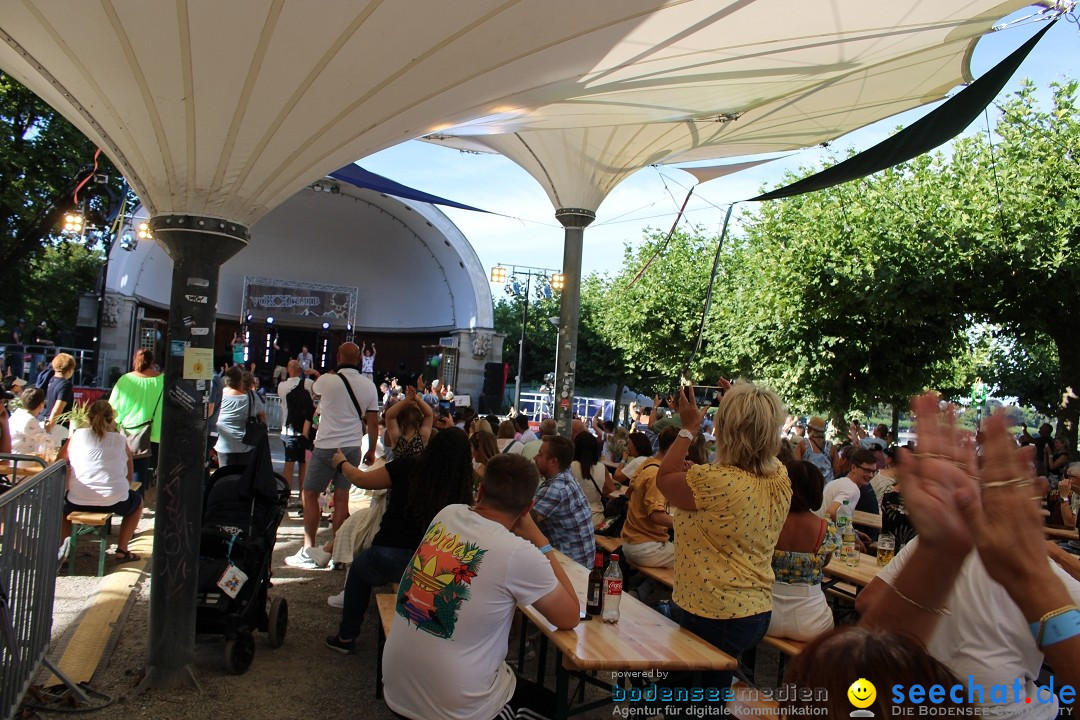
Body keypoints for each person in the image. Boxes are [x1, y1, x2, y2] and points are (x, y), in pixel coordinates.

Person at [857, 393, 1080, 718]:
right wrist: (1037, 582)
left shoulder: (929, 545)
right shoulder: (1038, 570)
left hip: (917, 699)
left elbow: (865, 610)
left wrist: (939, 552)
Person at [382, 453, 580, 720]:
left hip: (396, 690)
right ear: (527, 508)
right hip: (458, 710)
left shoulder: (447, 514)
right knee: (556, 707)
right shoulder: (518, 554)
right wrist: (539, 537)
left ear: (481, 491)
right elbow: (569, 616)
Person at [656, 380, 792, 691]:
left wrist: (688, 428)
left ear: (726, 428)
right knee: (708, 695)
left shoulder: (713, 481)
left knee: (692, 705)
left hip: (711, 612)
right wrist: (744, 405)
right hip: (754, 610)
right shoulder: (780, 476)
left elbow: (664, 479)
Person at [326, 427, 474, 654]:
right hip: (432, 562)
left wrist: (341, 462)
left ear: (432, 446)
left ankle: (347, 636)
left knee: (359, 570)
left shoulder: (408, 467)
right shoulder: (460, 486)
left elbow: (361, 479)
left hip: (391, 552)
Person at [288, 342, 378, 570]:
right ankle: (338, 554)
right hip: (352, 446)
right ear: (359, 360)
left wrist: (326, 373)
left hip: (327, 445)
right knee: (341, 498)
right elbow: (373, 423)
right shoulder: (369, 385)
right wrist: (371, 449)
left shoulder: (326, 380)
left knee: (310, 494)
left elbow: (314, 392)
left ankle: (309, 549)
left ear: (337, 356)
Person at [57, 400, 143, 562]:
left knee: (62, 508)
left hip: (77, 499)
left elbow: (58, 462)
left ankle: (65, 550)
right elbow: (130, 476)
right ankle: (122, 549)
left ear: (88, 418)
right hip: (114, 499)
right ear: (111, 419)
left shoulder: (76, 436)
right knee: (138, 504)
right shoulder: (120, 440)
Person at [767, 460, 839, 641]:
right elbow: (826, 562)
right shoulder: (825, 527)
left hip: (766, 612)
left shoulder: (768, 521)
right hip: (811, 618)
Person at [531, 434, 595, 567]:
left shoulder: (556, 488)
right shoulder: (565, 476)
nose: (535, 458)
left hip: (571, 566)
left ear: (554, 461)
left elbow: (523, 523)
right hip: (582, 562)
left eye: (540, 454)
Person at [619, 426, 676, 567]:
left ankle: (644, 589)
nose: (687, 453)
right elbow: (656, 516)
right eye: (685, 448)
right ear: (674, 448)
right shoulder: (657, 475)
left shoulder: (646, 464)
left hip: (631, 542)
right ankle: (651, 589)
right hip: (646, 547)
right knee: (696, 557)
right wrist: (685, 523)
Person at [108, 348, 164, 490]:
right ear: (152, 362)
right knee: (144, 475)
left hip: (128, 434)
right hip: (156, 434)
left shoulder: (125, 380)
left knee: (129, 473)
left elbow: (112, 409)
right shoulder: (163, 381)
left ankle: (131, 503)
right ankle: (139, 502)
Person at [277, 360, 316, 497]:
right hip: (305, 430)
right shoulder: (308, 384)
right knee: (303, 463)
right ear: (300, 370)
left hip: (288, 429)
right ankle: (302, 495)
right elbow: (320, 389)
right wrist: (315, 373)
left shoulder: (282, 386)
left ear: (288, 369)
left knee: (288, 463)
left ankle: (286, 495)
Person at [214, 365, 261, 467]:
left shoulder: (220, 394)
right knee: (243, 476)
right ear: (240, 380)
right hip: (245, 443)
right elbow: (262, 415)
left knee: (224, 476)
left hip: (223, 444)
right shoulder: (252, 396)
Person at [815, 447, 878, 521]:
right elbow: (831, 513)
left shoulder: (836, 482)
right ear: (853, 468)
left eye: (873, 472)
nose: (871, 475)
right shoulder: (852, 489)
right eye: (867, 470)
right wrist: (848, 529)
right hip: (821, 530)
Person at [570, 429, 615, 529]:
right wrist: (597, 492)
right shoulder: (602, 467)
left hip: (575, 520)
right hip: (597, 520)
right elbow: (611, 489)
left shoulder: (571, 466)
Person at [384, 386, 433, 460]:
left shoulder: (396, 436)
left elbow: (389, 415)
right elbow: (429, 414)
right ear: (420, 418)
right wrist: (417, 400)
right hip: (417, 471)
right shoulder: (422, 436)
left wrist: (405, 401)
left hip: (398, 471)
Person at [8, 386, 49, 455]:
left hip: (13, 455)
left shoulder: (17, 414)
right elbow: (44, 439)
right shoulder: (29, 420)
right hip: (19, 459)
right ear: (41, 405)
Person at [794, 415, 836, 482]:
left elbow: (795, 466)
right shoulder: (831, 447)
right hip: (827, 487)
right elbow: (837, 470)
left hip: (809, 486)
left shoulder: (803, 444)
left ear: (810, 430)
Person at [43, 353, 76, 436]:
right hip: (57, 427)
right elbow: (57, 409)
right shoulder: (66, 385)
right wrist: (49, 429)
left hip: (45, 420)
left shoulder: (50, 380)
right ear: (70, 370)